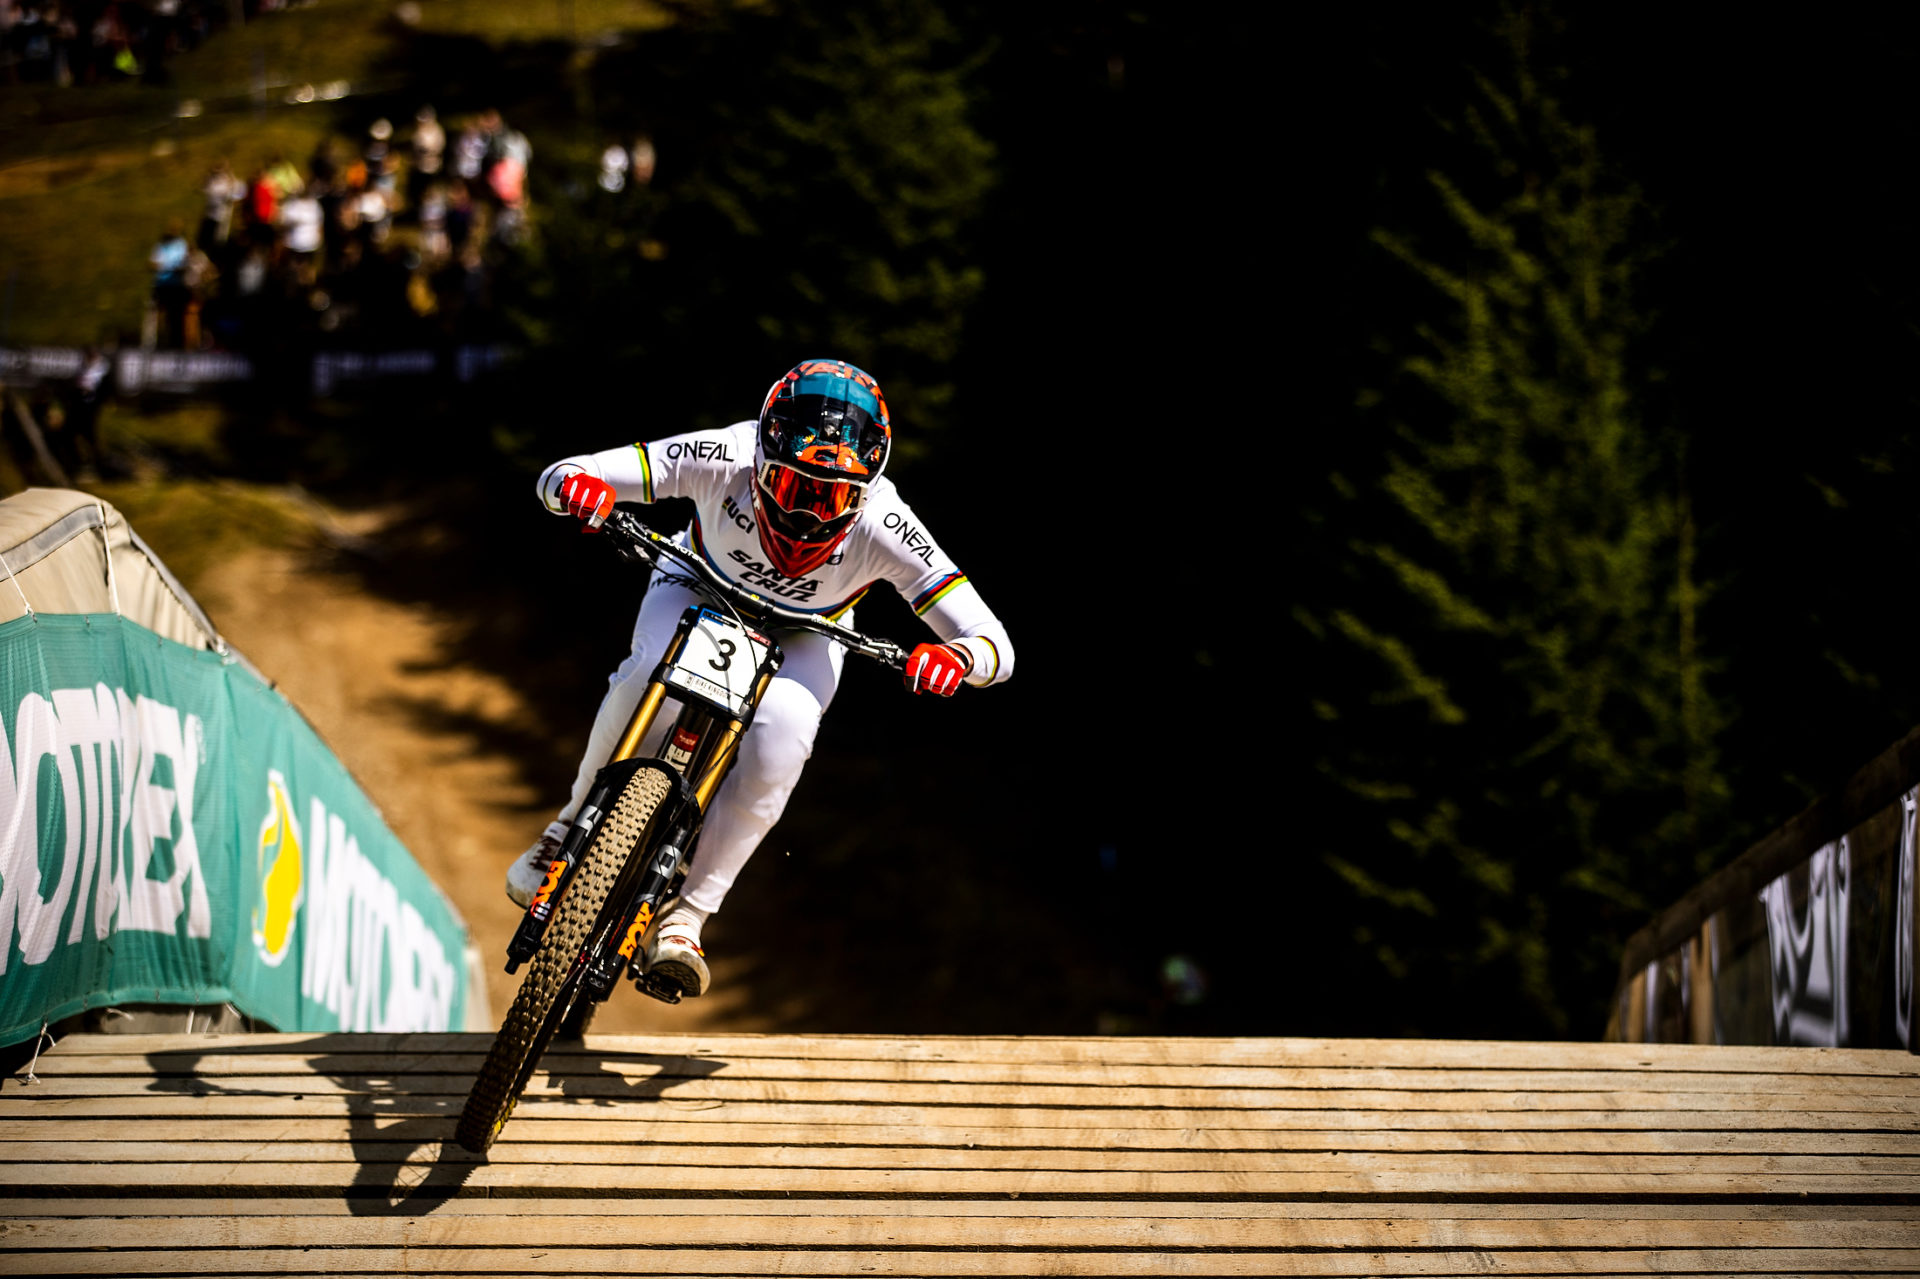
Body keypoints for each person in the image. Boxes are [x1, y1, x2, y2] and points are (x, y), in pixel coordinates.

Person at [511, 359, 1014, 996]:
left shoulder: (887, 524)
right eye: (792, 483)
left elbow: (996, 644)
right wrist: (576, 488)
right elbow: (566, 473)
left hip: (808, 631)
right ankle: (563, 832)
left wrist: (960, 659)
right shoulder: (723, 451)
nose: (807, 511)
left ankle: (687, 919)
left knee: (784, 737)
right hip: (698, 582)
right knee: (646, 674)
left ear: (866, 490)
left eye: (830, 495)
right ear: (761, 454)